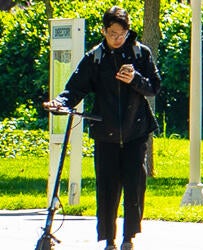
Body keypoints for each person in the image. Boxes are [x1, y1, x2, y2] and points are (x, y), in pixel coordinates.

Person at [42, 6, 159, 250]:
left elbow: (154, 87)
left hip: (136, 132)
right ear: (104, 30)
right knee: (107, 188)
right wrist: (60, 103)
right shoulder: (95, 57)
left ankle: (129, 238)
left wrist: (135, 79)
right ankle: (109, 240)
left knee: (134, 186)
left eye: (122, 34)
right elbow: (75, 88)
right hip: (104, 131)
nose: (117, 39)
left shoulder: (140, 54)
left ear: (128, 31)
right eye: (113, 33)